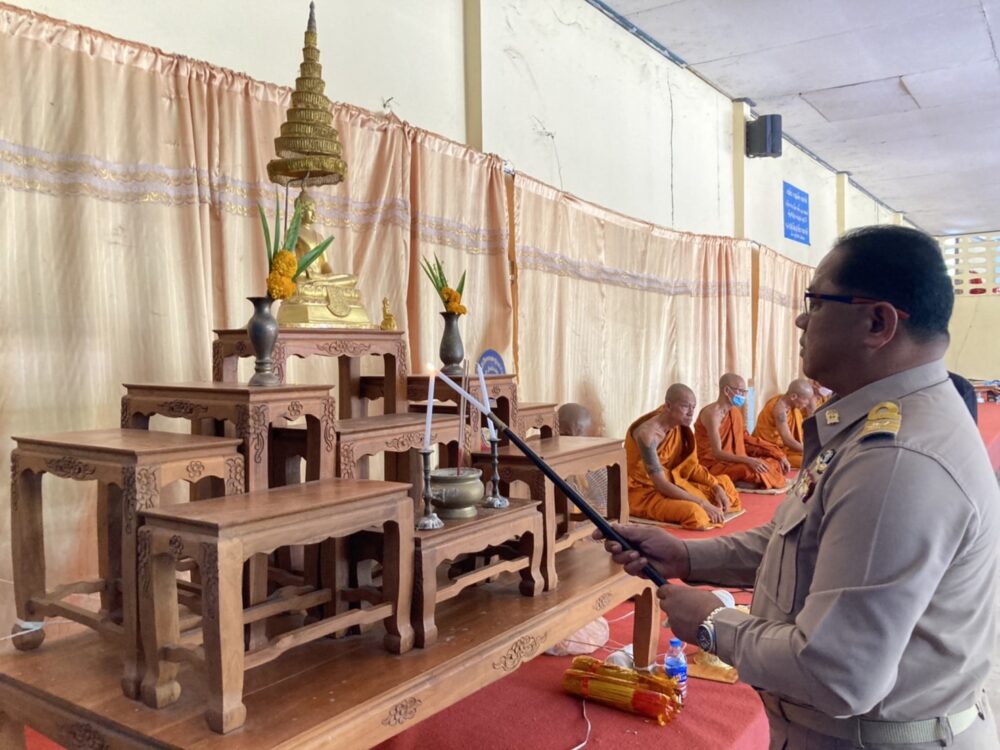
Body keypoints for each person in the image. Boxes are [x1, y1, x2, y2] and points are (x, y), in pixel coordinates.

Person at [596, 225, 999, 749]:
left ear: (877, 322)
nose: (801, 319)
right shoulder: (872, 424)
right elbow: (800, 540)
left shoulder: (898, 459)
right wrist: (688, 557)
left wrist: (714, 623)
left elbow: (838, 673)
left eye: (817, 301)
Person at [626, 384, 741, 529]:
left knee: (725, 485)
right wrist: (702, 503)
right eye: (685, 406)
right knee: (696, 514)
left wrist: (715, 486)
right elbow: (660, 484)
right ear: (668, 406)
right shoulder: (647, 435)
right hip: (644, 492)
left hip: (674, 481)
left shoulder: (677, 425)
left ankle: (710, 502)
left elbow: (690, 467)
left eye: (693, 407)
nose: (691, 413)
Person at [695, 373, 789, 488]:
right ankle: (735, 480)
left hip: (735, 459)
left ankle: (741, 481)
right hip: (714, 465)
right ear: (726, 390)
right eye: (740, 391)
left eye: (744, 392)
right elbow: (717, 453)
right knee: (749, 469)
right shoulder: (712, 415)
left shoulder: (734, 412)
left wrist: (776, 453)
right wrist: (748, 460)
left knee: (773, 462)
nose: (743, 396)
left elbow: (745, 438)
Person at [751, 378, 814, 468]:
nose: (807, 403)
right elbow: (787, 440)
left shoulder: (788, 403)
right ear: (793, 396)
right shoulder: (780, 410)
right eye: (805, 399)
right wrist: (810, 450)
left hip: (785, 448)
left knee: (812, 457)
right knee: (810, 461)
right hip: (769, 449)